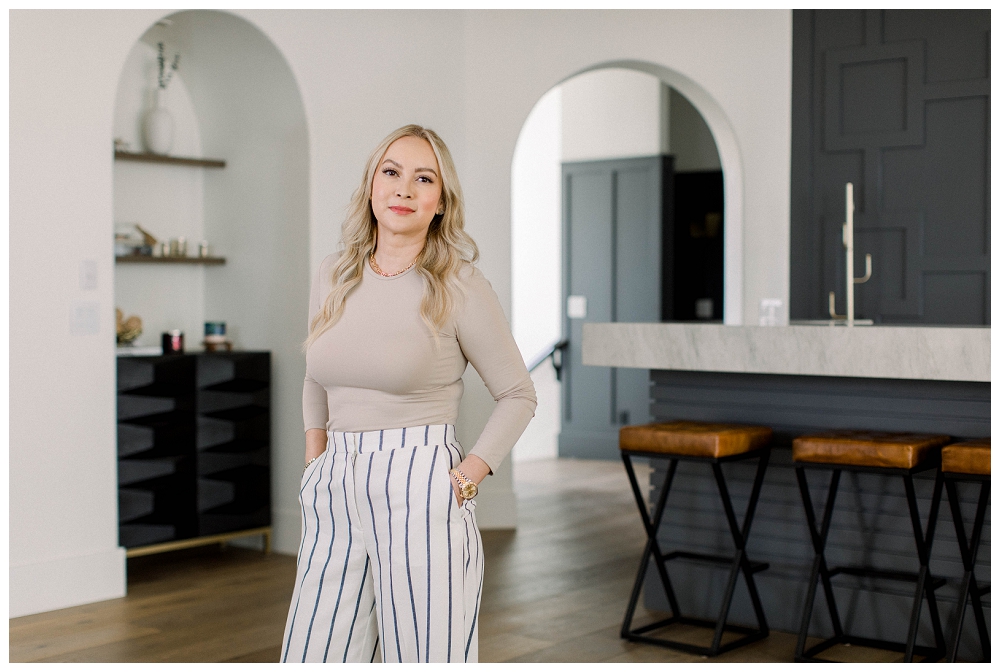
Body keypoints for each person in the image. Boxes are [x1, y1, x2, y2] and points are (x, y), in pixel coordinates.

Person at [280, 125, 536, 663]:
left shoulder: (459, 283)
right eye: (391, 173)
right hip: (335, 479)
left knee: (422, 655)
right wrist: (315, 456)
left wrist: (466, 478)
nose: (404, 189)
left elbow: (517, 392)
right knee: (314, 653)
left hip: (421, 479)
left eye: (424, 179)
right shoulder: (334, 274)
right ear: (371, 186)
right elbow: (315, 376)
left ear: (440, 202)